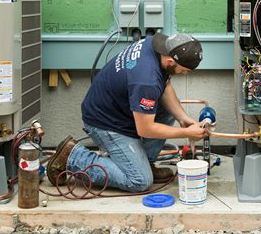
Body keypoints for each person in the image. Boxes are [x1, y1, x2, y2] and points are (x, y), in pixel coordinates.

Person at [47, 33, 207, 192]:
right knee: (140, 181)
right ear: (171, 61)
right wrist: (186, 132)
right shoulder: (146, 80)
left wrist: (183, 118)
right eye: (184, 70)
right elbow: (146, 129)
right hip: (106, 123)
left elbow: (164, 85)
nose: (185, 73)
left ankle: (144, 162)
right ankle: (73, 157)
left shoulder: (156, 45)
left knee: (167, 109)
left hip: (120, 109)